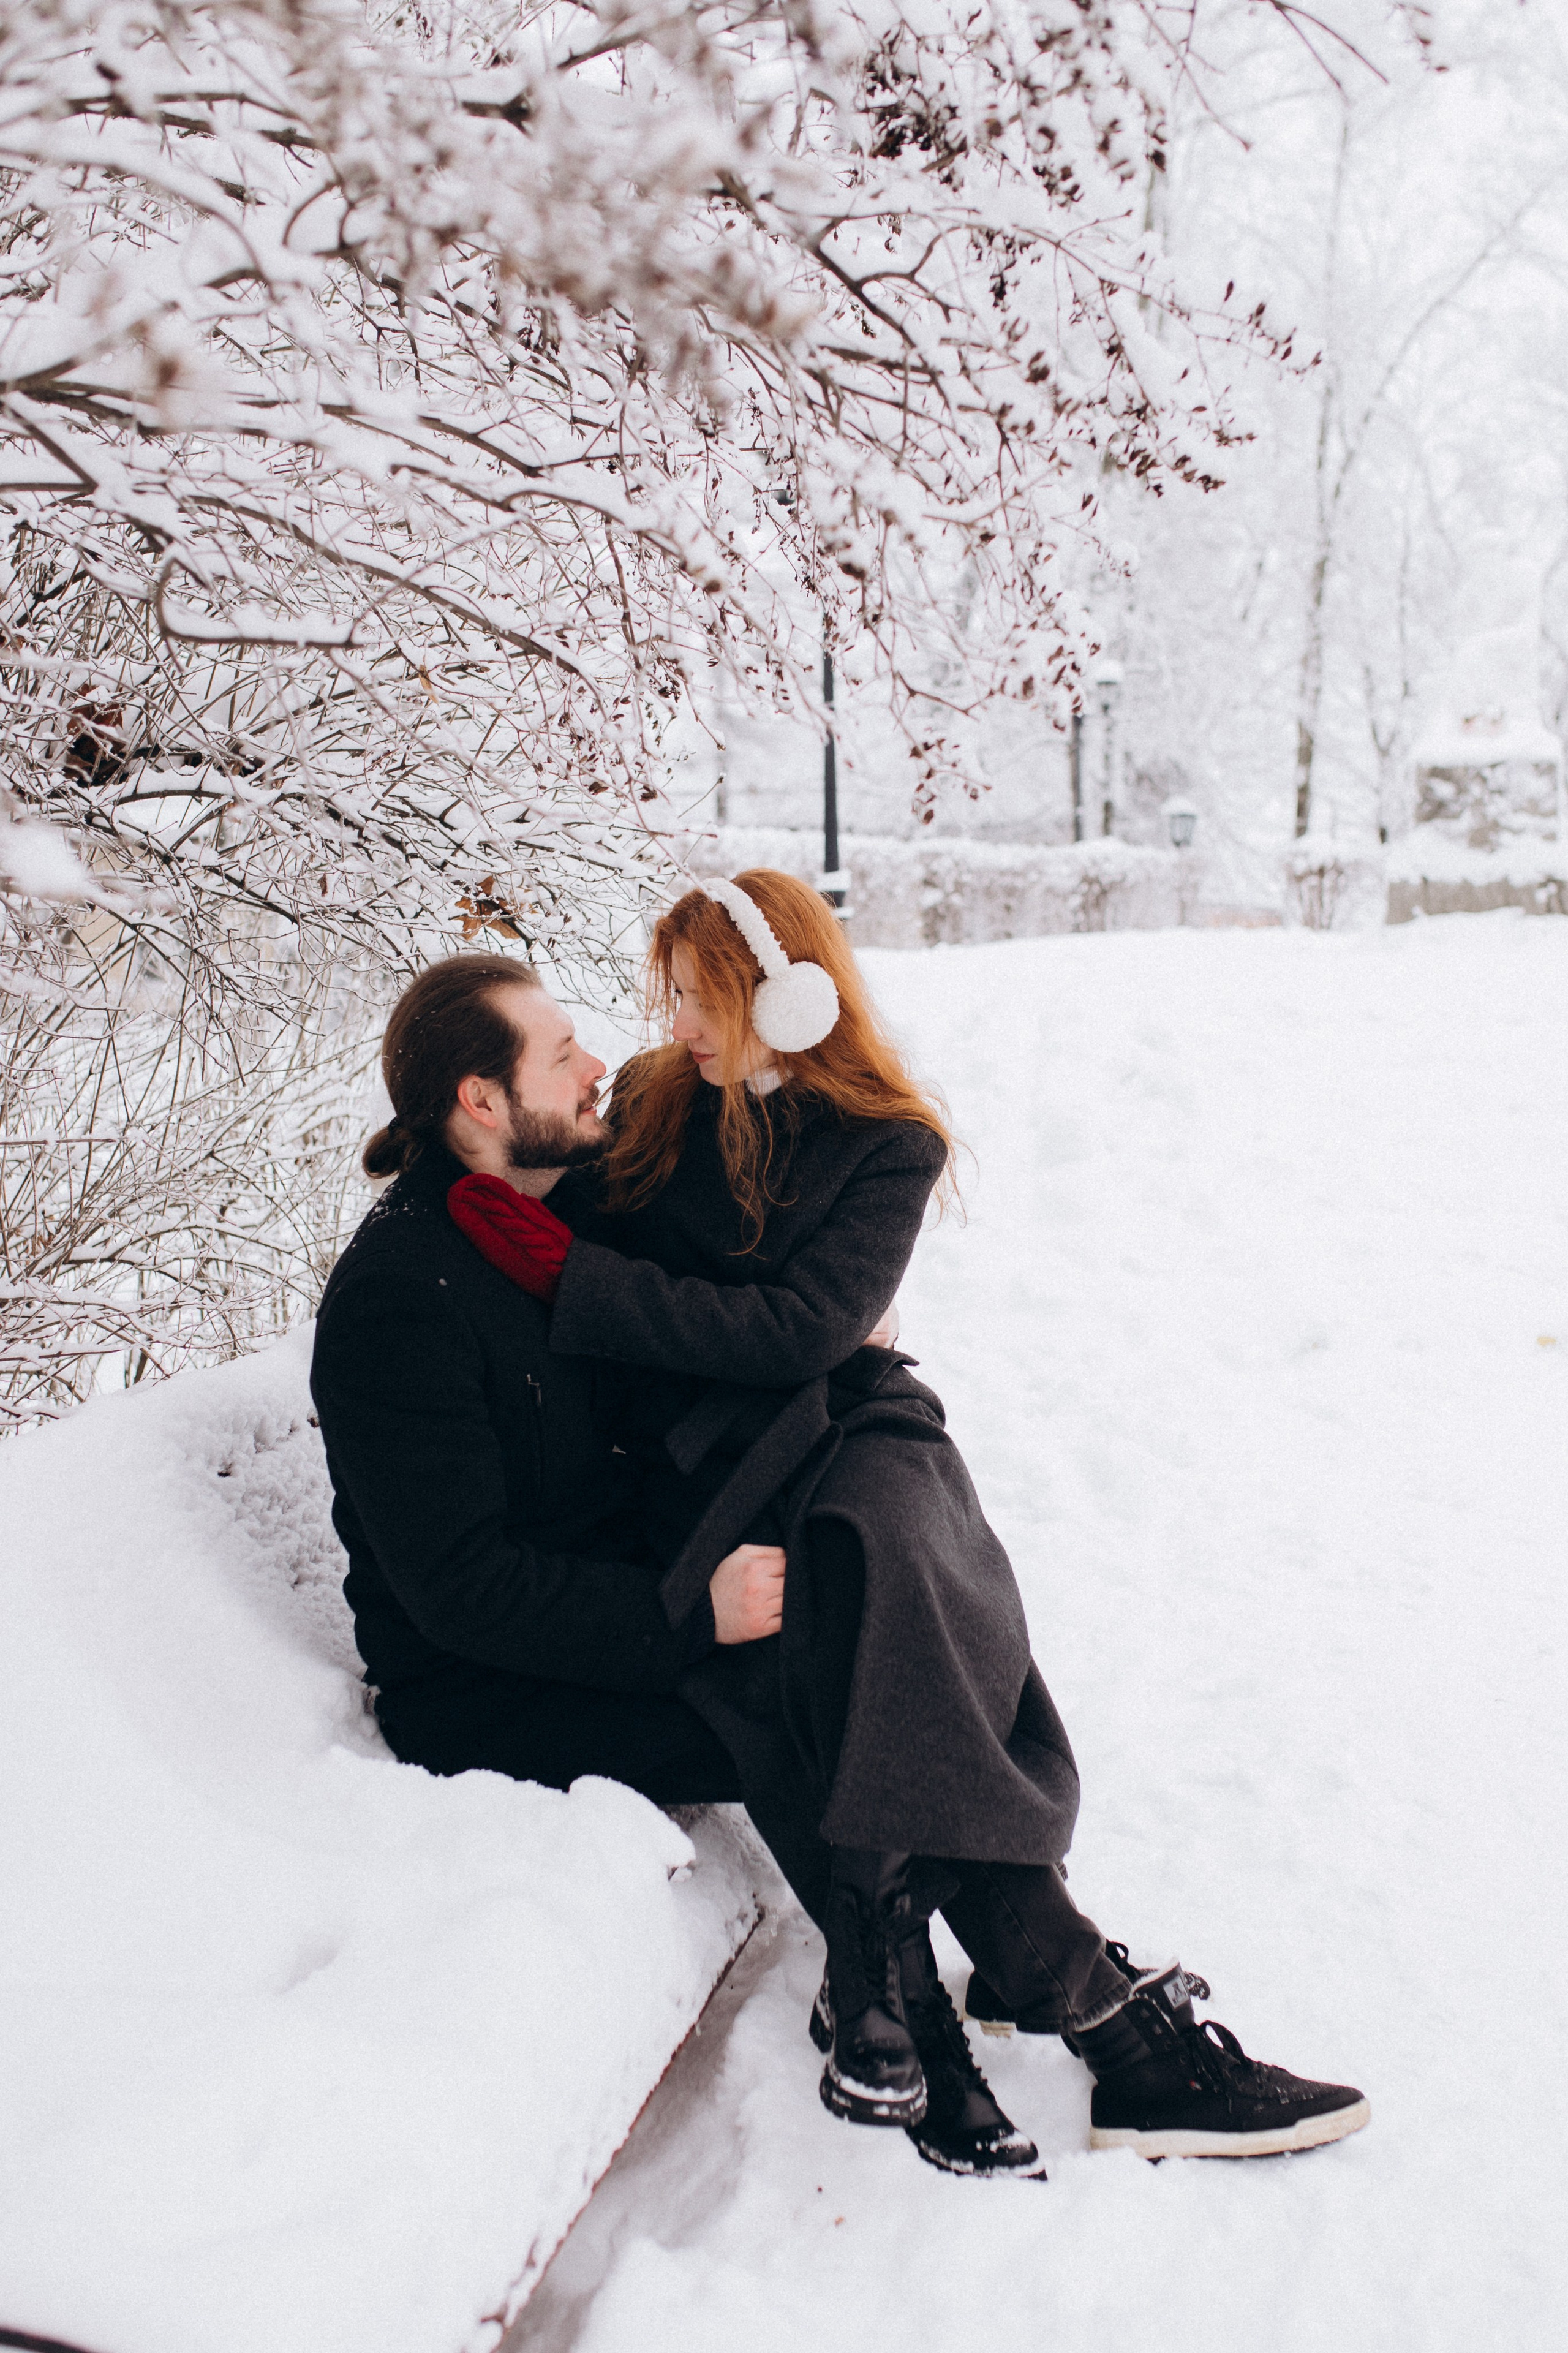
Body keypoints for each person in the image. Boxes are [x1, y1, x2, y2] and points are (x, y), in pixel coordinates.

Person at [312, 882, 1369, 2180]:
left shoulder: (536, 1210)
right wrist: (688, 1614)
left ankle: (961, 1996)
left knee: (861, 1620)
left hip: (609, 1592)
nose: (605, 1064)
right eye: (564, 1050)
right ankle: (1024, 2010)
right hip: (486, 1693)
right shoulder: (405, 1293)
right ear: (481, 1100)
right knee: (827, 1678)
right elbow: (461, 1593)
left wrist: (818, 1346)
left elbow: (718, 1295)